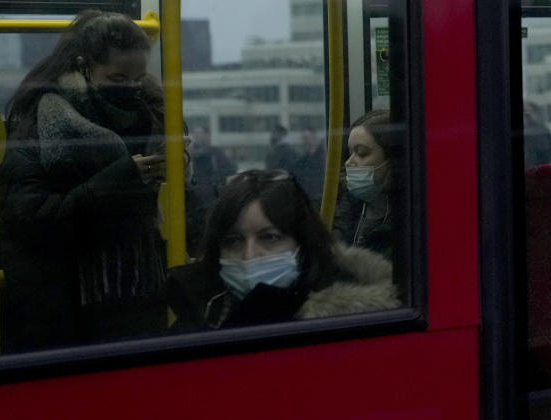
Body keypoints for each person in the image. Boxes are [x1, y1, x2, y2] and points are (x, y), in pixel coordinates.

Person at [0, 9, 169, 351]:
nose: (132, 89)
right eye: (118, 79)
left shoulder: (155, 118)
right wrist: (121, 178)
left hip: (143, 297)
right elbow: (32, 221)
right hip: (65, 305)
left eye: (139, 79)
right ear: (84, 68)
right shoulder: (41, 124)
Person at [166, 169, 399, 329]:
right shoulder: (198, 311)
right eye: (233, 241)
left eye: (269, 237)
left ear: (302, 244)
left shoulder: (361, 322)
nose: (250, 255)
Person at [333, 110, 397, 258]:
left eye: (361, 153)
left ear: (391, 158)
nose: (349, 162)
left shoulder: (408, 219)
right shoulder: (343, 204)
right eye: (350, 153)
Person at [292, 126, 326, 206]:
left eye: (306, 138)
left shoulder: (324, 158)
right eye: (303, 138)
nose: (305, 141)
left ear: (314, 137)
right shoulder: (301, 161)